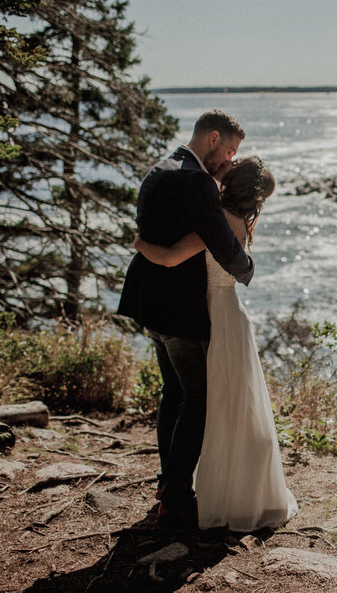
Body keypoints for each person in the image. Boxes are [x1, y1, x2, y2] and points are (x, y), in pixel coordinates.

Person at [136, 156, 298, 532]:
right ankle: (220, 488)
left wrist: (140, 243)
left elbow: (170, 257)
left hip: (210, 315)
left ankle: (182, 489)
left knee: (197, 400)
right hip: (228, 313)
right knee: (230, 403)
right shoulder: (239, 222)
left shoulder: (214, 221)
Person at [117, 110, 253, 528]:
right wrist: (247, 270)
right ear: (213, 138)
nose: (229, 159)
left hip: (150, 306)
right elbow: (223, 243)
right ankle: (176, 498)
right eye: (229, 150)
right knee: (197, 398)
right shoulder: (195, 181)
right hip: (179, 311)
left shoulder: (161, 168)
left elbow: (153, 232)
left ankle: (166, 481)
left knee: (173, 393)